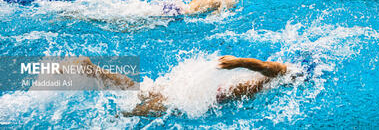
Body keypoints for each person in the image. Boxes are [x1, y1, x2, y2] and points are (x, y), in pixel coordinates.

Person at [70, 55, 287, 117]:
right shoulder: (284, 74)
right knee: (142, 110)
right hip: (206, 92)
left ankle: (93, 70)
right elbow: (268, 67)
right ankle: (114, 119)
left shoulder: (274, 80)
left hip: (201, 83)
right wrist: (239, 63)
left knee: (140, 89)